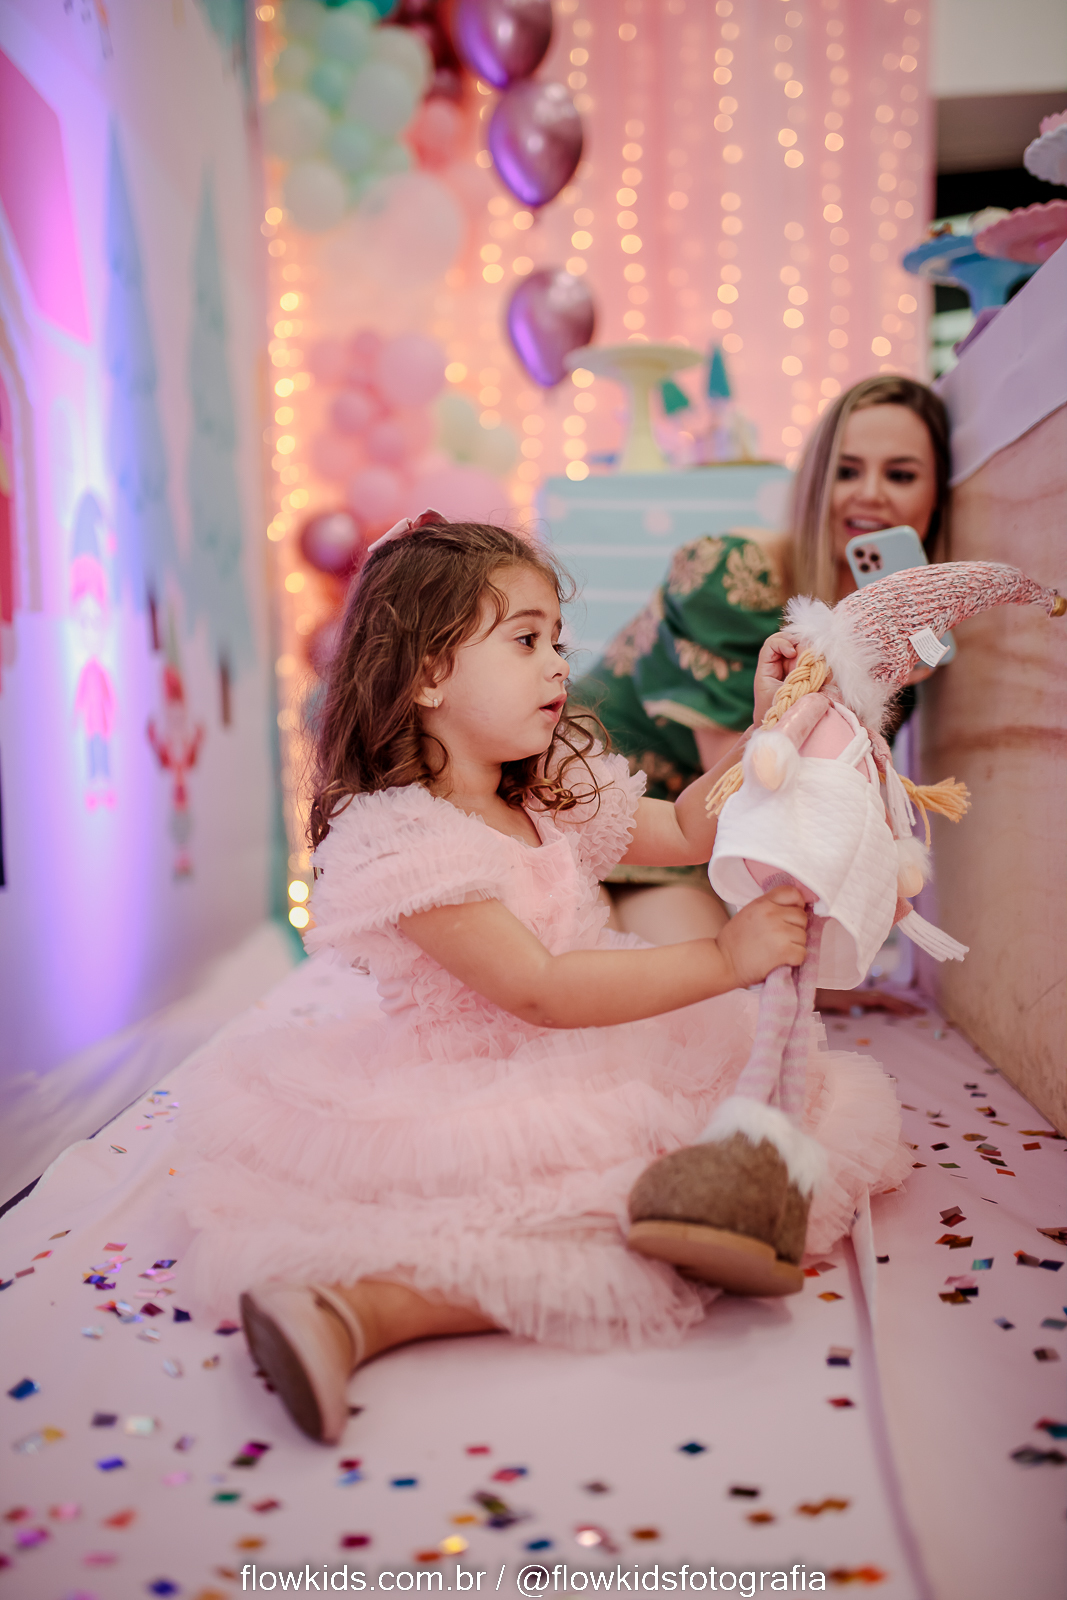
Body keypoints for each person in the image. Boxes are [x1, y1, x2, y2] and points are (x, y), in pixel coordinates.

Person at [176, 518, 908, 1446]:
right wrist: (725, 960)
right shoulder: (407, 841)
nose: (558, 665)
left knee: (775, 1123)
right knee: (579, 1221)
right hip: (471, 1080)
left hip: (587, 1049)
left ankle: (697, 1224)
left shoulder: (542, 786)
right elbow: (540, 990)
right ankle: (346, 1310)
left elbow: (688, 829)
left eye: (557, 641)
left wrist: (768, 726)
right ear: (428, 676)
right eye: (525, 641)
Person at [568, 374, 951, 968]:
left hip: (696, 836)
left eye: (900, 475)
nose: (870, 494)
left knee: (717, 1000)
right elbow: (755, 792)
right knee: (642, 983)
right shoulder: (735, 571)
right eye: (846, 471)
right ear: (815, 482)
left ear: (936, 497)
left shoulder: (910, 634)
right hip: (590, 795)